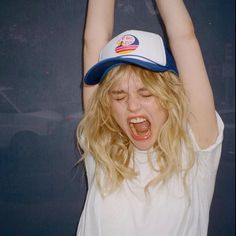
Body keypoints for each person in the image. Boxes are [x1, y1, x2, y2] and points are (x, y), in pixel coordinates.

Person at [76, 0, 224, 235]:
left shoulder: (194, 148)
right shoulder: (104, 151)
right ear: (107, 105)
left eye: (146, 93)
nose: (133, 105)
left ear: (168, 97)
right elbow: (93, 41)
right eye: (119, 95)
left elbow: (184, 37)